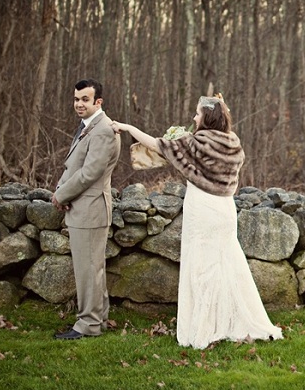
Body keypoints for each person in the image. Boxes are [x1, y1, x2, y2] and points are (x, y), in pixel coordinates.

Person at [111, 95, 283, 349]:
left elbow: (158, 145)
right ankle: (227, 322)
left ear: (207, 117)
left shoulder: (197, 142)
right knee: (227, 264)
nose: (193, 118)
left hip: (202, 207)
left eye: (197, 113)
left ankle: (203, 327)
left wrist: (129, 128)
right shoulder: (234, 144)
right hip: (224, 209)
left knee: (202, 267)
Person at [51, 79, 121, 340]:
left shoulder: (102, 130)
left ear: (98, 102)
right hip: (82, 206)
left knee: (88, 270)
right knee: (92, 268)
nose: (79, 104)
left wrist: (61, 194)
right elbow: (73, 166)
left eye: (85, 99)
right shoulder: (89, 127)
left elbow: (90, 173)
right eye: (76, 99)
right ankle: (98, 320)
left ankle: (88, 325)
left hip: (90, 209)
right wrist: (62, 187)